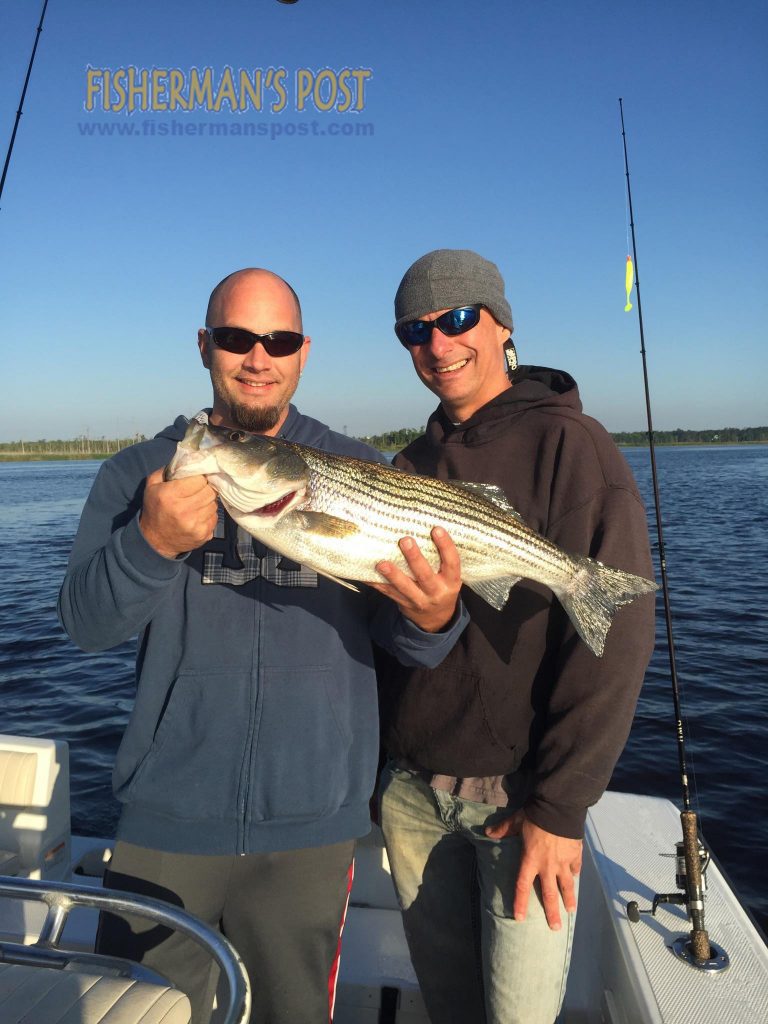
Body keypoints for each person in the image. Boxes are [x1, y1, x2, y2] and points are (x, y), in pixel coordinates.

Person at [58, 267, 467, 1024]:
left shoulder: (367, 473)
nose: (257, 356)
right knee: (138, 1013)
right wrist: (149, 544)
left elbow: (412, 647)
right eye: (237, 338)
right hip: (165, 826)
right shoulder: (138, 475)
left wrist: (436, 618)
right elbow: (85, 625)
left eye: (277, 339)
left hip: (313, 828)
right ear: (205, 346)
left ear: (303, 352)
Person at [375, 249, 656, 1024]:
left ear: (502, 328)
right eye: (415, 330)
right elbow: (387, 643)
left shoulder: (574, 445)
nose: (438, 343)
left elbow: (617, 642)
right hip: (411, 796)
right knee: (451, 1010)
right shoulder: (410, 464)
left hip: (521, 802)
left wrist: (561, 809)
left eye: (459, 319)